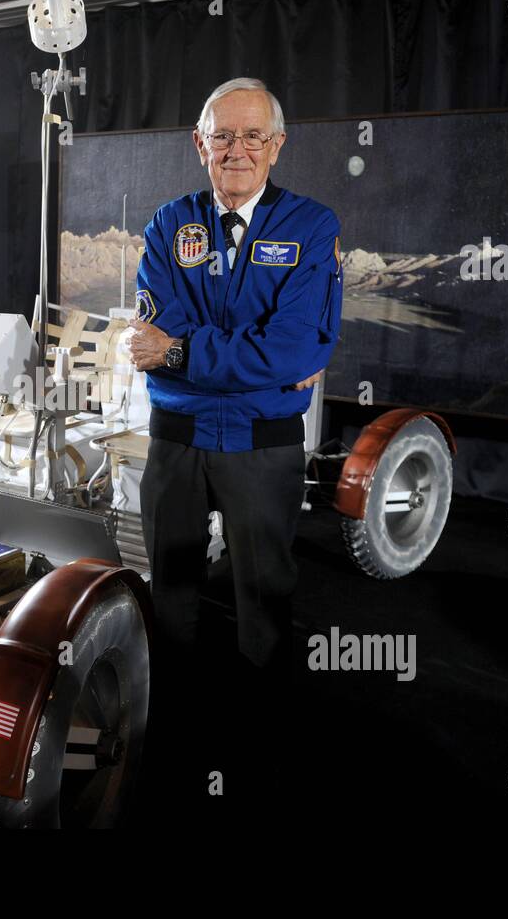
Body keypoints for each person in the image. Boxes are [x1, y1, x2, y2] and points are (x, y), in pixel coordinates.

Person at [128, 77, 343, 681]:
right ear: (200, 144)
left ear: (276, 145)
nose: (237, 150)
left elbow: (294, 349)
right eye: (223, 136)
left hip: (263, 442)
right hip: (177, 438)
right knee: (170, 581)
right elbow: (155, 333)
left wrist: (179, 354)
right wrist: (246, 362)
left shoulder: (311, 225)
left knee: (264, 586)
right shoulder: (170, 224)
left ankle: (260, 719)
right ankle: (169, 704)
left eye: (253, 136)